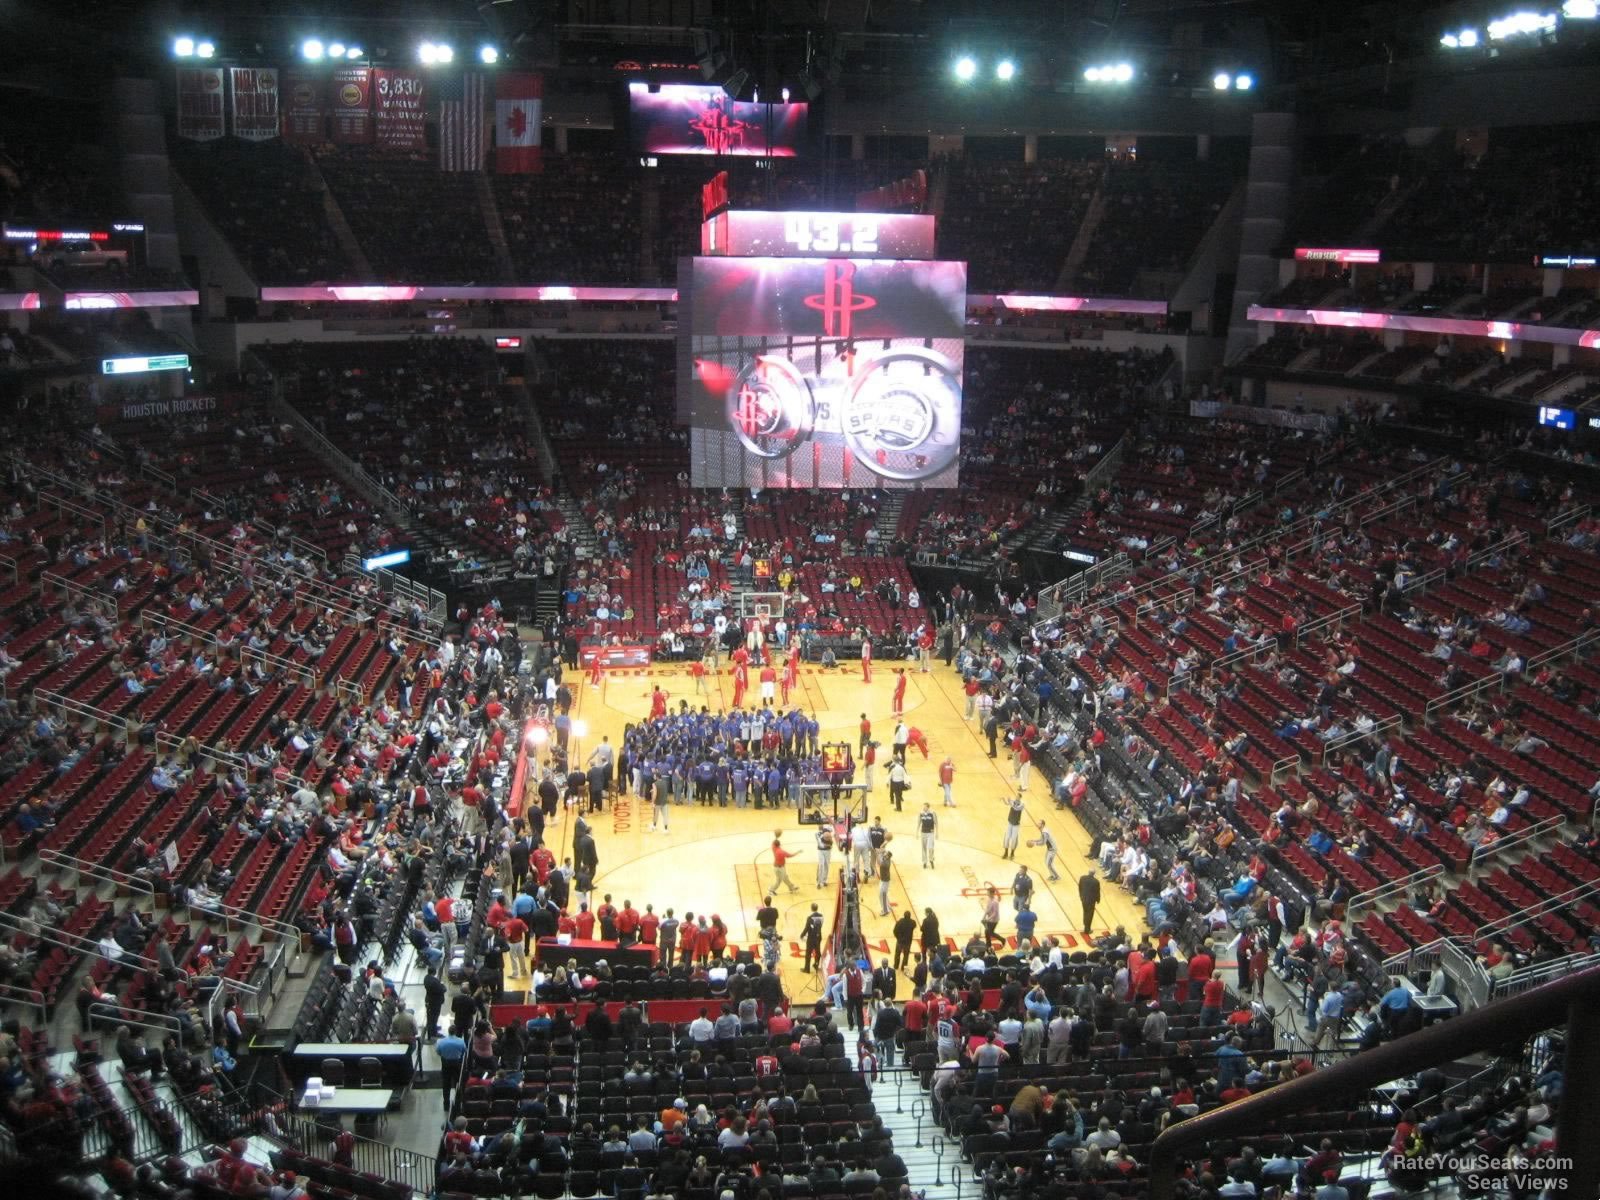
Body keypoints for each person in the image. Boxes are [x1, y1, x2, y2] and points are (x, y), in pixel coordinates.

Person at [802, 904, 825, 972]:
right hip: (818, 936)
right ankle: (816, 965)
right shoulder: (821, 916)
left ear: (811, 908)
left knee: (808, 953)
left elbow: (807, 928)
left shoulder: (810, 917)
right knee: (818, 951)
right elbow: (820, 925)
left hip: (811, 937)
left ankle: (807, 969)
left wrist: (802, 935)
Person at [1079, 869, 1101, 935]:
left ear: (1088, 872)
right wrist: (1098, 899)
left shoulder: (1082, 878)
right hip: (1091, 900)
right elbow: (1097, 891)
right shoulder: (1096, 881)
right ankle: (1087, 929)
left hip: (1083, 898)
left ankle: (1085, 924)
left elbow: (1080, 887)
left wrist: (1081, 896)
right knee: (1090, 915)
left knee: (1085, 912)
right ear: (1094, 874)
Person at [917, 803, 938, 868]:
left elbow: (936, 823)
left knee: (930, 847)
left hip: (930, 833)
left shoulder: (933, 813)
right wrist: (916, 832)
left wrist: (937, 833)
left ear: (928, 807)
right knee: (923, 847)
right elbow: (919, 823)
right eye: (923, 807)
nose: (923, 808)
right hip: (923, 832)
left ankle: (931, 859)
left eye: (925, 807)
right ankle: (924, 862)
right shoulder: (921, 813)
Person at [876, 850, 893, 917]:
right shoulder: (886, 859)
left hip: (885, 881)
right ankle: (888, 906)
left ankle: (885, 910)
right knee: (883, 894)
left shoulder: (885, 863)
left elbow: (879, 862)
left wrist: (877, 853)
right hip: (883, 880)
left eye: (885, 854)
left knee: (882, 895)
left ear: (888, 856)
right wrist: (881, 851)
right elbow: (882, 853)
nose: (884, 854)